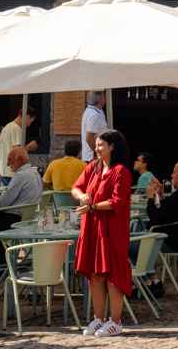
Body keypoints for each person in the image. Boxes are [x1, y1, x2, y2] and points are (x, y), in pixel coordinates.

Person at [72, 129, 133, 338]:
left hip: (112, 230)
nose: (96, 148)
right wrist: (82, 197)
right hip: (92, 228)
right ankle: (99, 318)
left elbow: (117, 202)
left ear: (112, 147)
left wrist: (93, 207)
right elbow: (76, 187)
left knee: (112, 275)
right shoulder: (93, 167)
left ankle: (115, 321)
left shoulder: (121, 171)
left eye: (100, 145)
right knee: (95, 275)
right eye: (96, 145)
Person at [0, 146, 42, 228]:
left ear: (20, 160)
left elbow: (1, 204)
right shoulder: (35, 173)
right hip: (29, 218)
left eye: (10, 159)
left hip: (14, 220)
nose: (7, 164)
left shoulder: (21, 175)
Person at [0, 105, 37, 185]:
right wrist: (30, 146)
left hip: (3, 170)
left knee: (6, 196)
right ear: (27, 116)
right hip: (11, 173)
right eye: (31, 121)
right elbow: (18, 154)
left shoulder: (7, 127)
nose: (29, 125)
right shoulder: (17, 129)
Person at [81, 92, 108, 164]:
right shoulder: (94, 114)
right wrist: (98, 153)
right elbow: (89, 138)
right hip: (93, 158)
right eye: (103, 96)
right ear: (99, 99)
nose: (105, 98)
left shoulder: (97, 111)